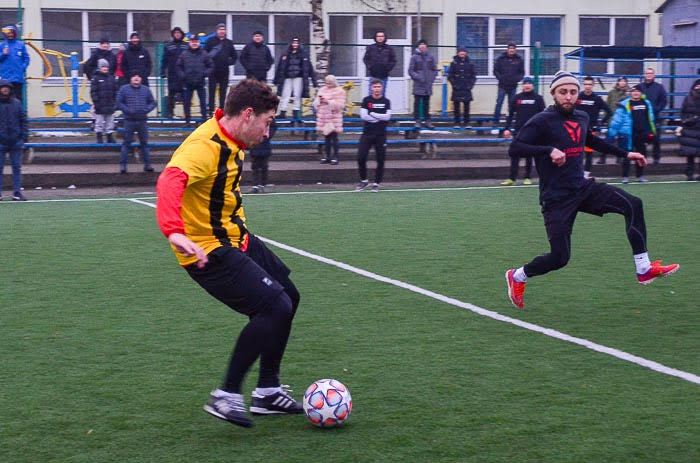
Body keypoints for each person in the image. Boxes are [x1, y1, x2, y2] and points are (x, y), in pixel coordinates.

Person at [155, 79, 302, 428]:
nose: (268, 132)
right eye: (267, 122)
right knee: (273, 306)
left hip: (236, 238)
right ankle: (227, 394)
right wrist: (175, 231)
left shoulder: (231, 136)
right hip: (206, 250)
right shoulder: (206, 146)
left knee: (289, 296)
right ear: (248, 115)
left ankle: (267, 392)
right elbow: (170, 179)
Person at [504, 71, 678, 310]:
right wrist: (548, 150)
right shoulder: (542, 120)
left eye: (573, 92)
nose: (568, 96)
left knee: (633, 204)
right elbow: (515, 148)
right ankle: (517, 276)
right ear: (553, 93)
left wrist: (626, 154)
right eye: (563, 92)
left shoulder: (582, 116)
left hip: (583, 188)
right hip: (557, 198)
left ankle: (644, 268)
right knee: (560, 258)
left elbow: (592, 141)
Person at [501, 77, 545, 186]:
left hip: (533, 132)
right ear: (522, 85)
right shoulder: (517, 98)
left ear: (533, 86)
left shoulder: (538, 98)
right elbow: (510, 114)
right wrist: (507, 128)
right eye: (525, 83)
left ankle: (527, 177)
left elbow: (543, 116)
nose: (527, 85)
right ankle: (512, 178)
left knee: (529, 155)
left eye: (529, 83)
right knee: (514, 154)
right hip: (518, 131)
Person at [608, 84, 655, 184]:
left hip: (641, 135)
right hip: (627, 135)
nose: (635, 93)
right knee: (626, 156)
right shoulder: (624, 104)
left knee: (641, 156)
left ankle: (640, 176)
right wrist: (611, 134)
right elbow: (617, 121)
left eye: (638, 91)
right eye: (633, 91)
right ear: (630, 93)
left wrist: (651, 132)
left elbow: (650, 119)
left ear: (641, 93)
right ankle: (625, 177)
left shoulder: (646, 103)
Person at [116, 70, 156, 173]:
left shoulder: (146, 90)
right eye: (134, 76)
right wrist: (127, 110)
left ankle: (148, 165)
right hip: (129, 121)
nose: (136, 78)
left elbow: (153, 102)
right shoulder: (124, 89)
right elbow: (119, 102)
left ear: (141, 79)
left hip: (142, 120)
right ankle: (123, 167)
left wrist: (146, 110)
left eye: (138, 76)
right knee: (126, 144)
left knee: (144, 144)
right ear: (131, 78)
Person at [356, 79, 391, 192]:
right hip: (367, 134)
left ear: (382, 88)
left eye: (379, 87)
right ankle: (364, 180)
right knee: (361, 157)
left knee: (380, 160)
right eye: (375, 87)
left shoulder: (386, 101)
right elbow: (364, 116)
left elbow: (387, 117)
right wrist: (379, 117)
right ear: (371, 88)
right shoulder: (366, 100)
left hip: (380, 135)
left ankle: (376, 183)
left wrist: (373, 114)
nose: (377, 89)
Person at [575, 76, 612, 178]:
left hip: (590, 130)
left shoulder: (597, 99)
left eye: (590, 84)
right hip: (577, 130)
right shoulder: (578, 97)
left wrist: (600, 123)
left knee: (588, 154)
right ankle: (575, 173)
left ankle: (586, 175)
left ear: (593, 85)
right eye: (586, 84)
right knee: (575, 153)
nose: (587, 87)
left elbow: (609, 112)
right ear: (583, 85)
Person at [274, 37, 317, 121]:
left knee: (297, 95)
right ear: (291, 43)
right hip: (287, 78)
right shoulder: (285, 54)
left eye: (297, 43)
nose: (295, 44)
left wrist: (314, 81)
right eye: (294, 42)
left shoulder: (304, 55)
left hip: (299, 78)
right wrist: (276, 80)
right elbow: (280, 67)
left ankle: (296, 113)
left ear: (299, 44)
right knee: (285, 95)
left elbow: (309, 68)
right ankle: (283, 112)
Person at [177, 34, 213, 126]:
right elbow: (178, 66)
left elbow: (211, 66)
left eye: (196, 42)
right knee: (187, 102)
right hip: (188, 82)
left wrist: (205, 74)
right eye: (192, 42)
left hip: (200, 82)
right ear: (189, 43)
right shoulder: (184, 54)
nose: (194, 44)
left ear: (199, 43)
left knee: (203, 102)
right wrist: (182, 75)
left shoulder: (204, 53)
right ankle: (187, 121)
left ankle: (204, 119)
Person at [0, 79, 27, 201]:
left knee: (17, 168)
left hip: (16, 142)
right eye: (3, 87)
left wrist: (23, 137)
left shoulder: (17, 103)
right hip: (1, 142)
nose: (5, 89)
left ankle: (17, 192)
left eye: (7, 87)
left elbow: (23, 120)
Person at [313, 74, 346, 165]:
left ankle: (336, 157)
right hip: (324, 117)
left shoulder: (340, 91)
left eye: (330, 83)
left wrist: (329, 102)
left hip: (334, 117)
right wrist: (319, 101)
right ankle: (327, 156)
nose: (327, 85)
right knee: (326, 138)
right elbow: (315, 102)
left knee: (334, 138)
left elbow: (341, 105)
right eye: (326, 83)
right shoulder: (322, 89)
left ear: (334, 82)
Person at [204, 23, 237, 114]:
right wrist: (209, 65)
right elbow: (204, 55)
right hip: (212, 72)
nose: (221, 31)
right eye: (220, 29)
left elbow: (234, 56)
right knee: (211, 92)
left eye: (223, 29)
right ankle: (210, 111)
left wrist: (228, 63)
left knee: (223, 93)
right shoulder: (210, 41)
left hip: (224, 71)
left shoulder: (229, 43)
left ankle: (221, 111)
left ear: (225, 31)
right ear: (216, 31)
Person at [639, 68, 667, 164]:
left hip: (655, 118)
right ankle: (643, 157)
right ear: (644, 75)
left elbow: (664, 101)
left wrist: (656, 109)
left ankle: (656, 158)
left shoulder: (659, 87)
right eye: (647, 73)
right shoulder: (640, 87)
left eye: (651, 73)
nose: (649, 75)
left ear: (654, 75)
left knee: (656, 139)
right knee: (642, 139)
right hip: (642, 118)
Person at [408, 40, 437, 129]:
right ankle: (417, 120)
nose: (422, 46)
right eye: (420, 45)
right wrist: (419, 77)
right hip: (418, 84)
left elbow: (434, 70)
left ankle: (427, 120)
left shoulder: (430, 57)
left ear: (426, 46)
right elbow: (411, 70)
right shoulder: (414, 57)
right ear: (418, 47)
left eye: (424, 45)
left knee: (426, 103)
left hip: (427, 85)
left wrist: (431, 79)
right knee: (417, 103)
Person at [601, 77, 629, 164]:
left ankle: (619, 158)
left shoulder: (628, 95)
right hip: (612, 121)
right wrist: (605, 119)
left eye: (624, 81)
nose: (622, 83)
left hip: (623, 122)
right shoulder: (611, 93)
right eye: (621, 81)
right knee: (608, 141)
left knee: (622, 142)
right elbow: (607, 106)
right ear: (618, 82)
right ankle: (602, 158)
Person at [493, 43, 524, 122]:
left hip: (513, 86)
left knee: (512, 104)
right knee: (499, 103)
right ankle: (495, 121)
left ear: (515, 50)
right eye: (510, 48)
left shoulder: (519, 59)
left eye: (513, 48)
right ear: (507, 49)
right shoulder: (500, 59)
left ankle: (510, 121)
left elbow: (522, 73)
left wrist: (516, 79)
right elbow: (495, 71)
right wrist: (501, 78)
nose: (511, 50)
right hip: (502, 85)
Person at [161, 27, 188, 118]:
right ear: (173, 34)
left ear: (181, 34)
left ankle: (186, 114)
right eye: (175, 33)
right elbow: (164, 60)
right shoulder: (168, 46)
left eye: (179, 33)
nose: (177, 34)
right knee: (171, 94)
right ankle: (170, 113)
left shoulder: (186, 46)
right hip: (172, 74)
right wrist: (163, 71)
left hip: (184, 75)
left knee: (185, 95)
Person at [90, 58, 118, 144]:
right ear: (99, 67)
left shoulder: (111, 78)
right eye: (103, 67)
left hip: (110, 104)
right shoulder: (95, 78)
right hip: (100, 104)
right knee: (99, 122)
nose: (105, 68)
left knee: (110, 122)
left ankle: (109, 136)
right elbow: (93, 92)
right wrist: (96, 102)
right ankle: (99, 137)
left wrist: (114, 102)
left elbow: (115, 91)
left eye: (106, 67)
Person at [447, 46, 476, 128]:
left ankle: (467, 123)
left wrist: (470, 85)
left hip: (466, 87)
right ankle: (457, 123)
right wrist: (454, 85)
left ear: (466, 52)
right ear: (457, 52)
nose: (462, 53)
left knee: (467, 106)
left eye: (463, 51)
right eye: (460, 51)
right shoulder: (454, 63)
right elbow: (450, 76)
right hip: (457, 88)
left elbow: (473, 76)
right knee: (456, 106)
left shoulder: (470, 63)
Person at [0, 25, 29, 102]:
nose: (10, 35)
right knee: (5, 98)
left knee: (18, 99)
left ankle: (18, 113)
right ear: (5, 34)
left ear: (15, 33)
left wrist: (22, 68)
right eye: (8, 33)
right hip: (6, 77)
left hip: (17, 77)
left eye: (12, 33)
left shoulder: (21, 44)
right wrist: (3, 54)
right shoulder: (2, 45)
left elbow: (26, 58)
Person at [678, 79, 700, 180]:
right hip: (691, 129)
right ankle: (690, 173)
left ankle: (692, 173)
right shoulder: (688, 98)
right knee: (690, 153)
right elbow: (682, 113)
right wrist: (686, 121)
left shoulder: (688, 98)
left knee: (693, 153)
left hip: (693, 129)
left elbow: (683, 113)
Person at [249, 121, 276, 193]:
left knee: (264, 166)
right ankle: (255, 185)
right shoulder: (252, 115)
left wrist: (266, 136)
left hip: (264, 145)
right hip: (255, 144)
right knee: (255, 167)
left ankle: (263, 184)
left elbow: (273, 127)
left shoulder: (269, 116)